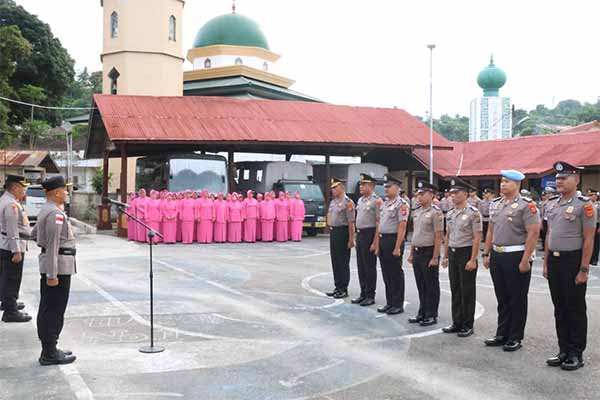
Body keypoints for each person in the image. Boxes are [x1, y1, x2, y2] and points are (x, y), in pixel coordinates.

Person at [544, 162, 596, 371]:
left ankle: (576, 353)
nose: (559, 181)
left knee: (574, 308)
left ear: (577, 180)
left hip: (572, 261)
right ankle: (563, 350)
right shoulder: (552, 204)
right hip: (554, 261)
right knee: (560, 308)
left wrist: (584, 269)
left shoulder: (585, 205)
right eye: (557, 178)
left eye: (564, 178)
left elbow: (589, 239)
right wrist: (546, 262)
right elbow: (549, 234)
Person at [482, 170, 540, 352]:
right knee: (502, 297)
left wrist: (526, 259)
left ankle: (515, 336)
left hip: (516, 255)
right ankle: (502, 333)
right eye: (502, 181)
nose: (503, 184)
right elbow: (490, 230)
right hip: (497, 255)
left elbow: (533, 233)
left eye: (507, 181)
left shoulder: (527, 205)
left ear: (517, 184)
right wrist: (486, 253)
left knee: (517, 298)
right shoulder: (496, 204)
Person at [32, 176, 77, 365]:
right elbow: (52, 245)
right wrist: (52, 274)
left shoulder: (47, 210)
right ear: (57, 192)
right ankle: (49, 353)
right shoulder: (55, 213)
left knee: (50, 307)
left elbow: (34, 234)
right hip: (58, 268)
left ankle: (50, 348)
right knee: (54, 310)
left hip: (56, 265)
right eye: (65, 190)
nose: (67, 193)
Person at [442, 178, 483, 337]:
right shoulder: (450, 213)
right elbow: (448, 235)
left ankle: (467, 324)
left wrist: (473, 259)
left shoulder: (473, 213)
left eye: (456, 192)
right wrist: (445, 255)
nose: (453, 195)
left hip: (466, 252)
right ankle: (457, 321)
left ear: (465, 194)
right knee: (455, 289)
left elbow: (477, 237)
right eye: (451, 192)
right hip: (453, 253)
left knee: (467, 290)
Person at [408, 181, 444, 326]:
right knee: (421, 284)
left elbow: (438, 236)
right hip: (417, 251)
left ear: (431, 195)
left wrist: (435, 257)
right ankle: (422, 312)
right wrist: (411, 253)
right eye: (418, 194)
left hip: (429, 252)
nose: (419, 197)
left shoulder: (436, 212)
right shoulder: (417, 211)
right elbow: (415, 234)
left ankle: (431, 314)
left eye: (422, 194)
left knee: (431, 285)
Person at [0, 175, 32, 323]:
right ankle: (10, 311)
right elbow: (12, 229)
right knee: (12, 279)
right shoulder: (11, 204)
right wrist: (16, 251)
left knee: (5, 277)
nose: (24, 191)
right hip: (11, 246)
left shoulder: (6, 200)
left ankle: (8, 302)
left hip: (6, 244)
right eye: (22, 188)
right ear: (15, 187)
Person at [375, 173, 409, 314]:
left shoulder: (401, 204)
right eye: (385, 187)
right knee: (386, 273)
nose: (386, 189)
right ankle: (390, 302)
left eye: (389, 187)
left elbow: (402, 226)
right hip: (383, 240)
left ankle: (397, 303)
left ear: (397, 188)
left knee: (395, 273)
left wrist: (397, 246)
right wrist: (377, 244)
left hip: (393, 240)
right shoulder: (385, 203)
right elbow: (379, 225)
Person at [352, 174, 380, 307]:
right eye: (361, 184)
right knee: (361, 266)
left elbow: (378, 222)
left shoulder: (376, 201)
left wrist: (375, 242)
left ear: (371, 186)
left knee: (369, 267)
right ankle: (363, 293)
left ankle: (370, 295)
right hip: (360, 234)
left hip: (370, 234)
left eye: (364, 184)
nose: (361, 187)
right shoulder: (360, 200)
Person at [326, 178, 355, 299]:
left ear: (342, 188)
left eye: (335, 188)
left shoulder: (348, 202)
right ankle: (337, 286)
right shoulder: (333, 202)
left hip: (343, 232)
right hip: (334, 232)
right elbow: (329, 214)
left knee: (343, 262)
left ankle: (343, 288)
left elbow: (351, 222)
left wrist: (351, 239)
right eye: (332, 188)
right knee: (335, 261)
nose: (333, 190)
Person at [539, 186, 557, 253]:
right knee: (544, 235)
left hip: (552, 220)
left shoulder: (555, 201)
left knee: (550, 235)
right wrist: (541, 221)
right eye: (546, 194)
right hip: (545, 220)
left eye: (548, 193)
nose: (546, 195)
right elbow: (542, 213)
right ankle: (545, 248)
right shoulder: (545, 202)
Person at [587, 189, 600, 266]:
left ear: (596, 196)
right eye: (589, 195)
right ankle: (589, 258)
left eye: (592, 195)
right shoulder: (587, 204)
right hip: (588, 225)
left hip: (597, 224)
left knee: (596, 243)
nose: (590, 197)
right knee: (588, 242)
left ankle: (594, 259)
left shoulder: (598, 205)